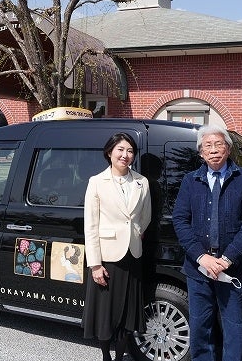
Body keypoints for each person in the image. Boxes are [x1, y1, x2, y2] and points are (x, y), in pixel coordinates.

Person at [172, 124, 242, 361]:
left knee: (234, 325)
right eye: (207, 146)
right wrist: (202, 257)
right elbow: (180, 220)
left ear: (228, 149)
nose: (213, 150)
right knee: (201, 326)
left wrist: (226, 259)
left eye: (218, 144)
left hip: (232, 268)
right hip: (198, 268)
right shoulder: (191, 180)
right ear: (201, 153)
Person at [82, 133, 152, 361]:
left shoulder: (142, 182)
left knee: (127, 316)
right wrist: (95, 265)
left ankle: (120, 357)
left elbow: (146, 215)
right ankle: (106, 356)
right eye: (120, 150)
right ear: (109, 152)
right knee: (106, 315)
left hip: (132, 255)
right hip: (107, 258)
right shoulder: (96, 182)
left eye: (130, 151)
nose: (125, 155)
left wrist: (136, 232)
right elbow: (90, 225)